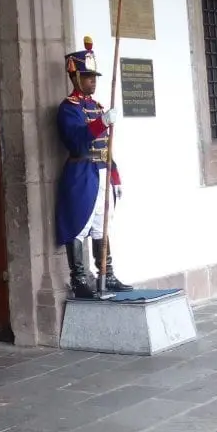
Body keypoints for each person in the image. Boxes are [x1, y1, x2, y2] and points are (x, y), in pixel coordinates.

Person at [55, 36, 133, 299]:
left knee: (102, 225)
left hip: (101, 172)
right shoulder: (68, 109)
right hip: (81, 174)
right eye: (88, 76)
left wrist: (115, 176)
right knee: (79, 224)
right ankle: (78, 279)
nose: (93, 81)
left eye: (95, 76)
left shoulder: (97, 107)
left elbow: (107, 148)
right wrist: (102, 122)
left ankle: (106, 274)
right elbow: (78, 142)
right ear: (75, 77)